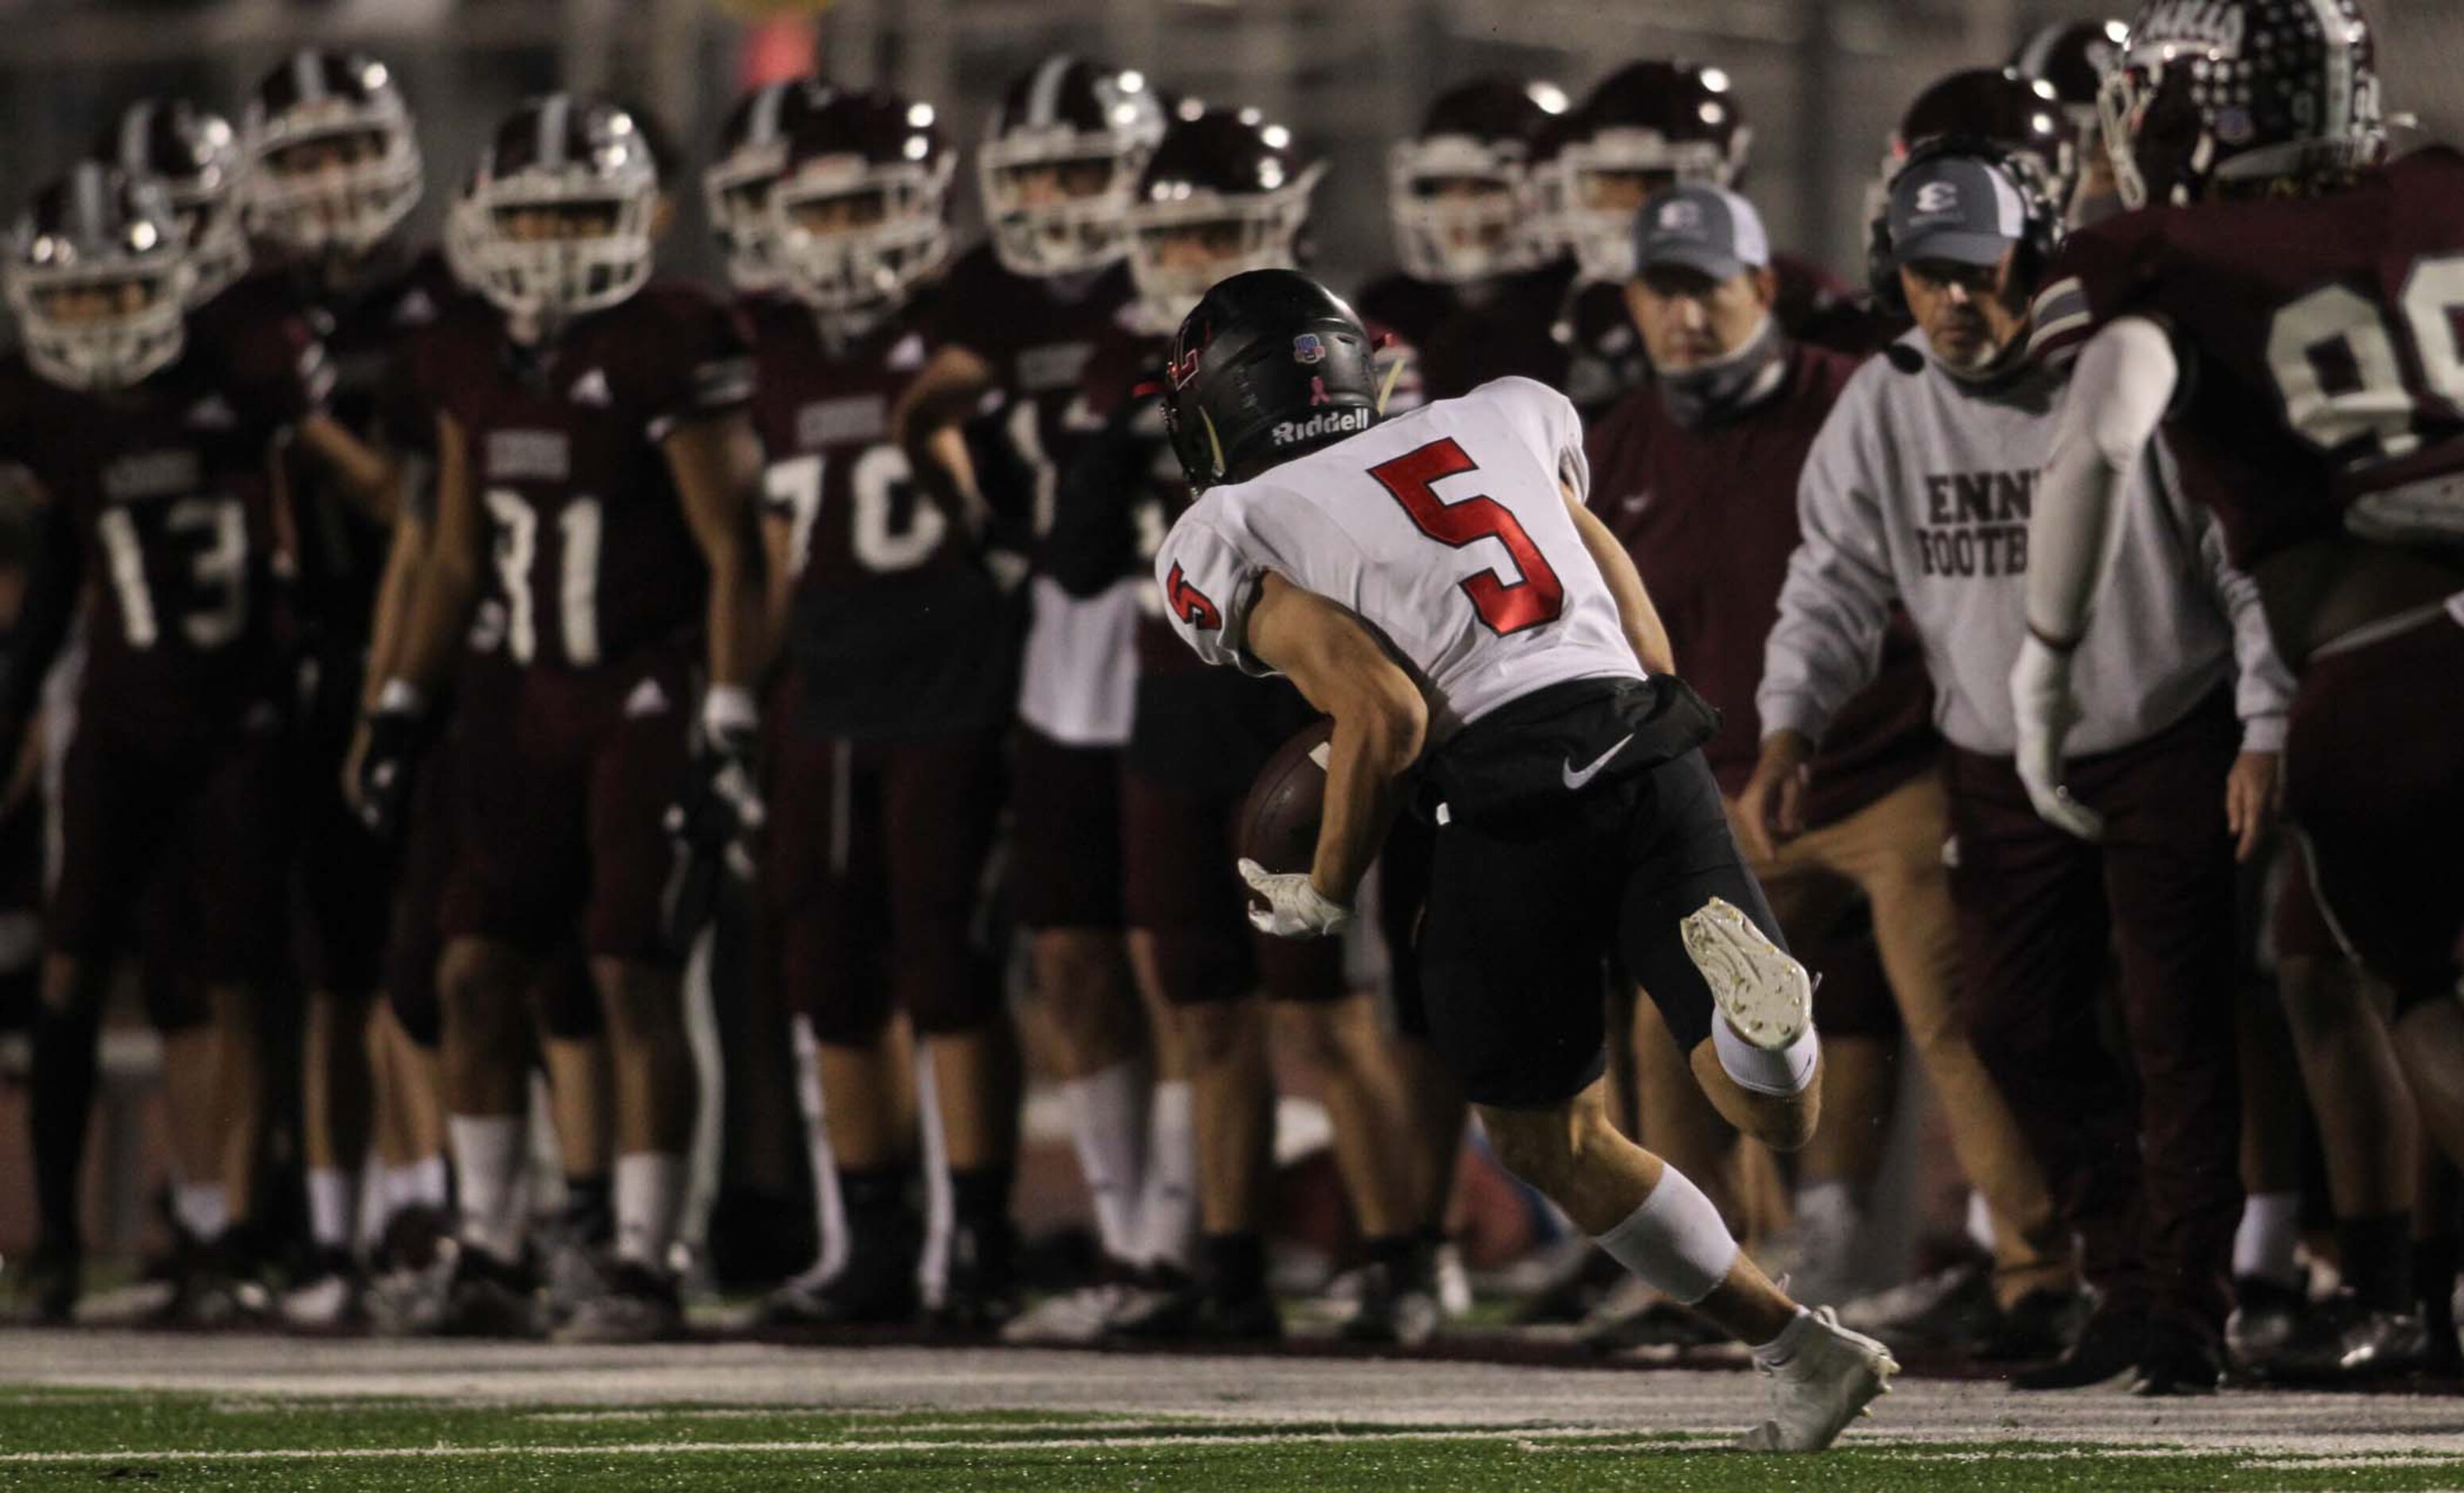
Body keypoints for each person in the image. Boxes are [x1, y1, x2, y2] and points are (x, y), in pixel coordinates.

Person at [1151, 266, 1893, 1448]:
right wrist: (1660, 719)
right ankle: (1778, 1054)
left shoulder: (1228, 525)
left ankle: (1792, 1341)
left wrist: (1323, 890)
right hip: (1646, 734)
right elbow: (1613, 580)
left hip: (1504, 793)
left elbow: (1384, 714)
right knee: (1779, 1111)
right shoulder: (1502, 412)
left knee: (1549, 1133)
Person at [1745, 138, 2293, 1394]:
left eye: (1977, 272)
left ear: (2030, 264)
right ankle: (2119, 1275)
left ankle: (2187, 1308)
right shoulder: (1887, 398)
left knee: (2177, 1028)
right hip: (1995, 752)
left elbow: (2239, 554)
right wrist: (1792, 724)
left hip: (2164, 730)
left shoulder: (2120, 363)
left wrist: (2265, 720)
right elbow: (1831, 579)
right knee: (2011, 1021)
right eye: (1927, 276)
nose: (1954, 301)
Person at [2017, 0, 2464, 1375]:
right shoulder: (2443, 188)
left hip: (2392, 667)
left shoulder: (2168, 256)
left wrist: (2046, 667)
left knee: (2420, 996)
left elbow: (2096, 446)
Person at [1592, 180, 2071, 1350]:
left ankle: (2038, 1270)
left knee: (1955, 1011)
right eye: (1663, 293)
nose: (1686, 317)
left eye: (1707, 288)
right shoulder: (1612, 444)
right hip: (1717, 790)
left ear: (1762, 286)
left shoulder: (1853, 398)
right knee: (1673, 1022)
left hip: (1882, 770)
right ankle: (1710, 1285)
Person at [354, 93, 765, 1343]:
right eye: (532, 213)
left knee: (634, 971)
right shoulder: (466, 355)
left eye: (580, 211)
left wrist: (732, 718)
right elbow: (453, 555)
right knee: (474, 970)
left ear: (635, 216)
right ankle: (490, 1239)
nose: (552, 238)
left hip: (639, 689)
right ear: (484, 221)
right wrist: (402, 703)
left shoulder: (671, 340)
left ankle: (646, 1250)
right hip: (517, 696)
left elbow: (736, 550)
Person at [1044, 110, 1428, 1344]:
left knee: (1325, 1006)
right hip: (1173, 703)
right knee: (1201, 1005)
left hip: (1301, 703)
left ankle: (1400, 1262)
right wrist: (1104, 445)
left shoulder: (1344, 348)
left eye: (1219, 227)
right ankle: (1227, 1263)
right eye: (1177, 230)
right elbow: (1076, 554)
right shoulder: (1127, 367)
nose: (1195, 249)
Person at [885, 56, 1187, 1342]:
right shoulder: (997, 295)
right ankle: (1126, 1235)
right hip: (1065, 644)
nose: (1063, 198)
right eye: (1042, 174)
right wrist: (989, 524)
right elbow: (927, 409)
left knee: (1184, 961)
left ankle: (1183, 1242)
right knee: (1069, 948)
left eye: (1086, 170)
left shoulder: (1184, 277)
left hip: (1188, 641)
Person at [0, 163, 328, 1324]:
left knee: (242, 985)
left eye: (116, 291)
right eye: (73, 297)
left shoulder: (239, 375)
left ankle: (236, 1229)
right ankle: (50, 1241)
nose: (93, 320)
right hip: (119, 730)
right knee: (70, 975)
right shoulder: (47, 412)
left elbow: (317, 527)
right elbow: (51, 587)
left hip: (235, 720)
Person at [735, 85, 1025, 1332]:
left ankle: (978, 1242)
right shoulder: (773, 349)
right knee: (832, 979)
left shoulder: (974, 324)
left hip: (953, 689)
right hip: (825, 697)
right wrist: (732, 705)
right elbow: (764, 552)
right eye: (829, 207)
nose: (849, 232)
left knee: (950, 971)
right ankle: (873, 1238)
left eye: (872, 202)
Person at [236, 46, 460, 1328]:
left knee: (413, 963)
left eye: (344, 150)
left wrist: (306, 420)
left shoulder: (441, 303)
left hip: (424, 654)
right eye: (302, 156)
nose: (327, 182)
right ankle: (330, 1232)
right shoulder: (243, 312)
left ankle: (428, 1209)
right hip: (298, 656)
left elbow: (418, 506)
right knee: (325, 972)